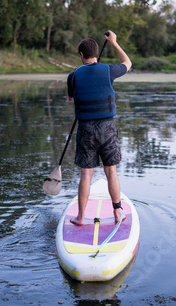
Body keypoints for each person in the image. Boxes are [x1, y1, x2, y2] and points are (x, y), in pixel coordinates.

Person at [67, 30, 132, 226]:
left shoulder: (73, 76)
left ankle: (80, 217)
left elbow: (72, 99)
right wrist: (114, 42)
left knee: (86, 174)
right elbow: (128, 63)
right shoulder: (109, 71)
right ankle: (117, 212)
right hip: (107, 128)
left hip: (86, 129)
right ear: (95, 53)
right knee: (111, 171)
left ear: (81, 54)